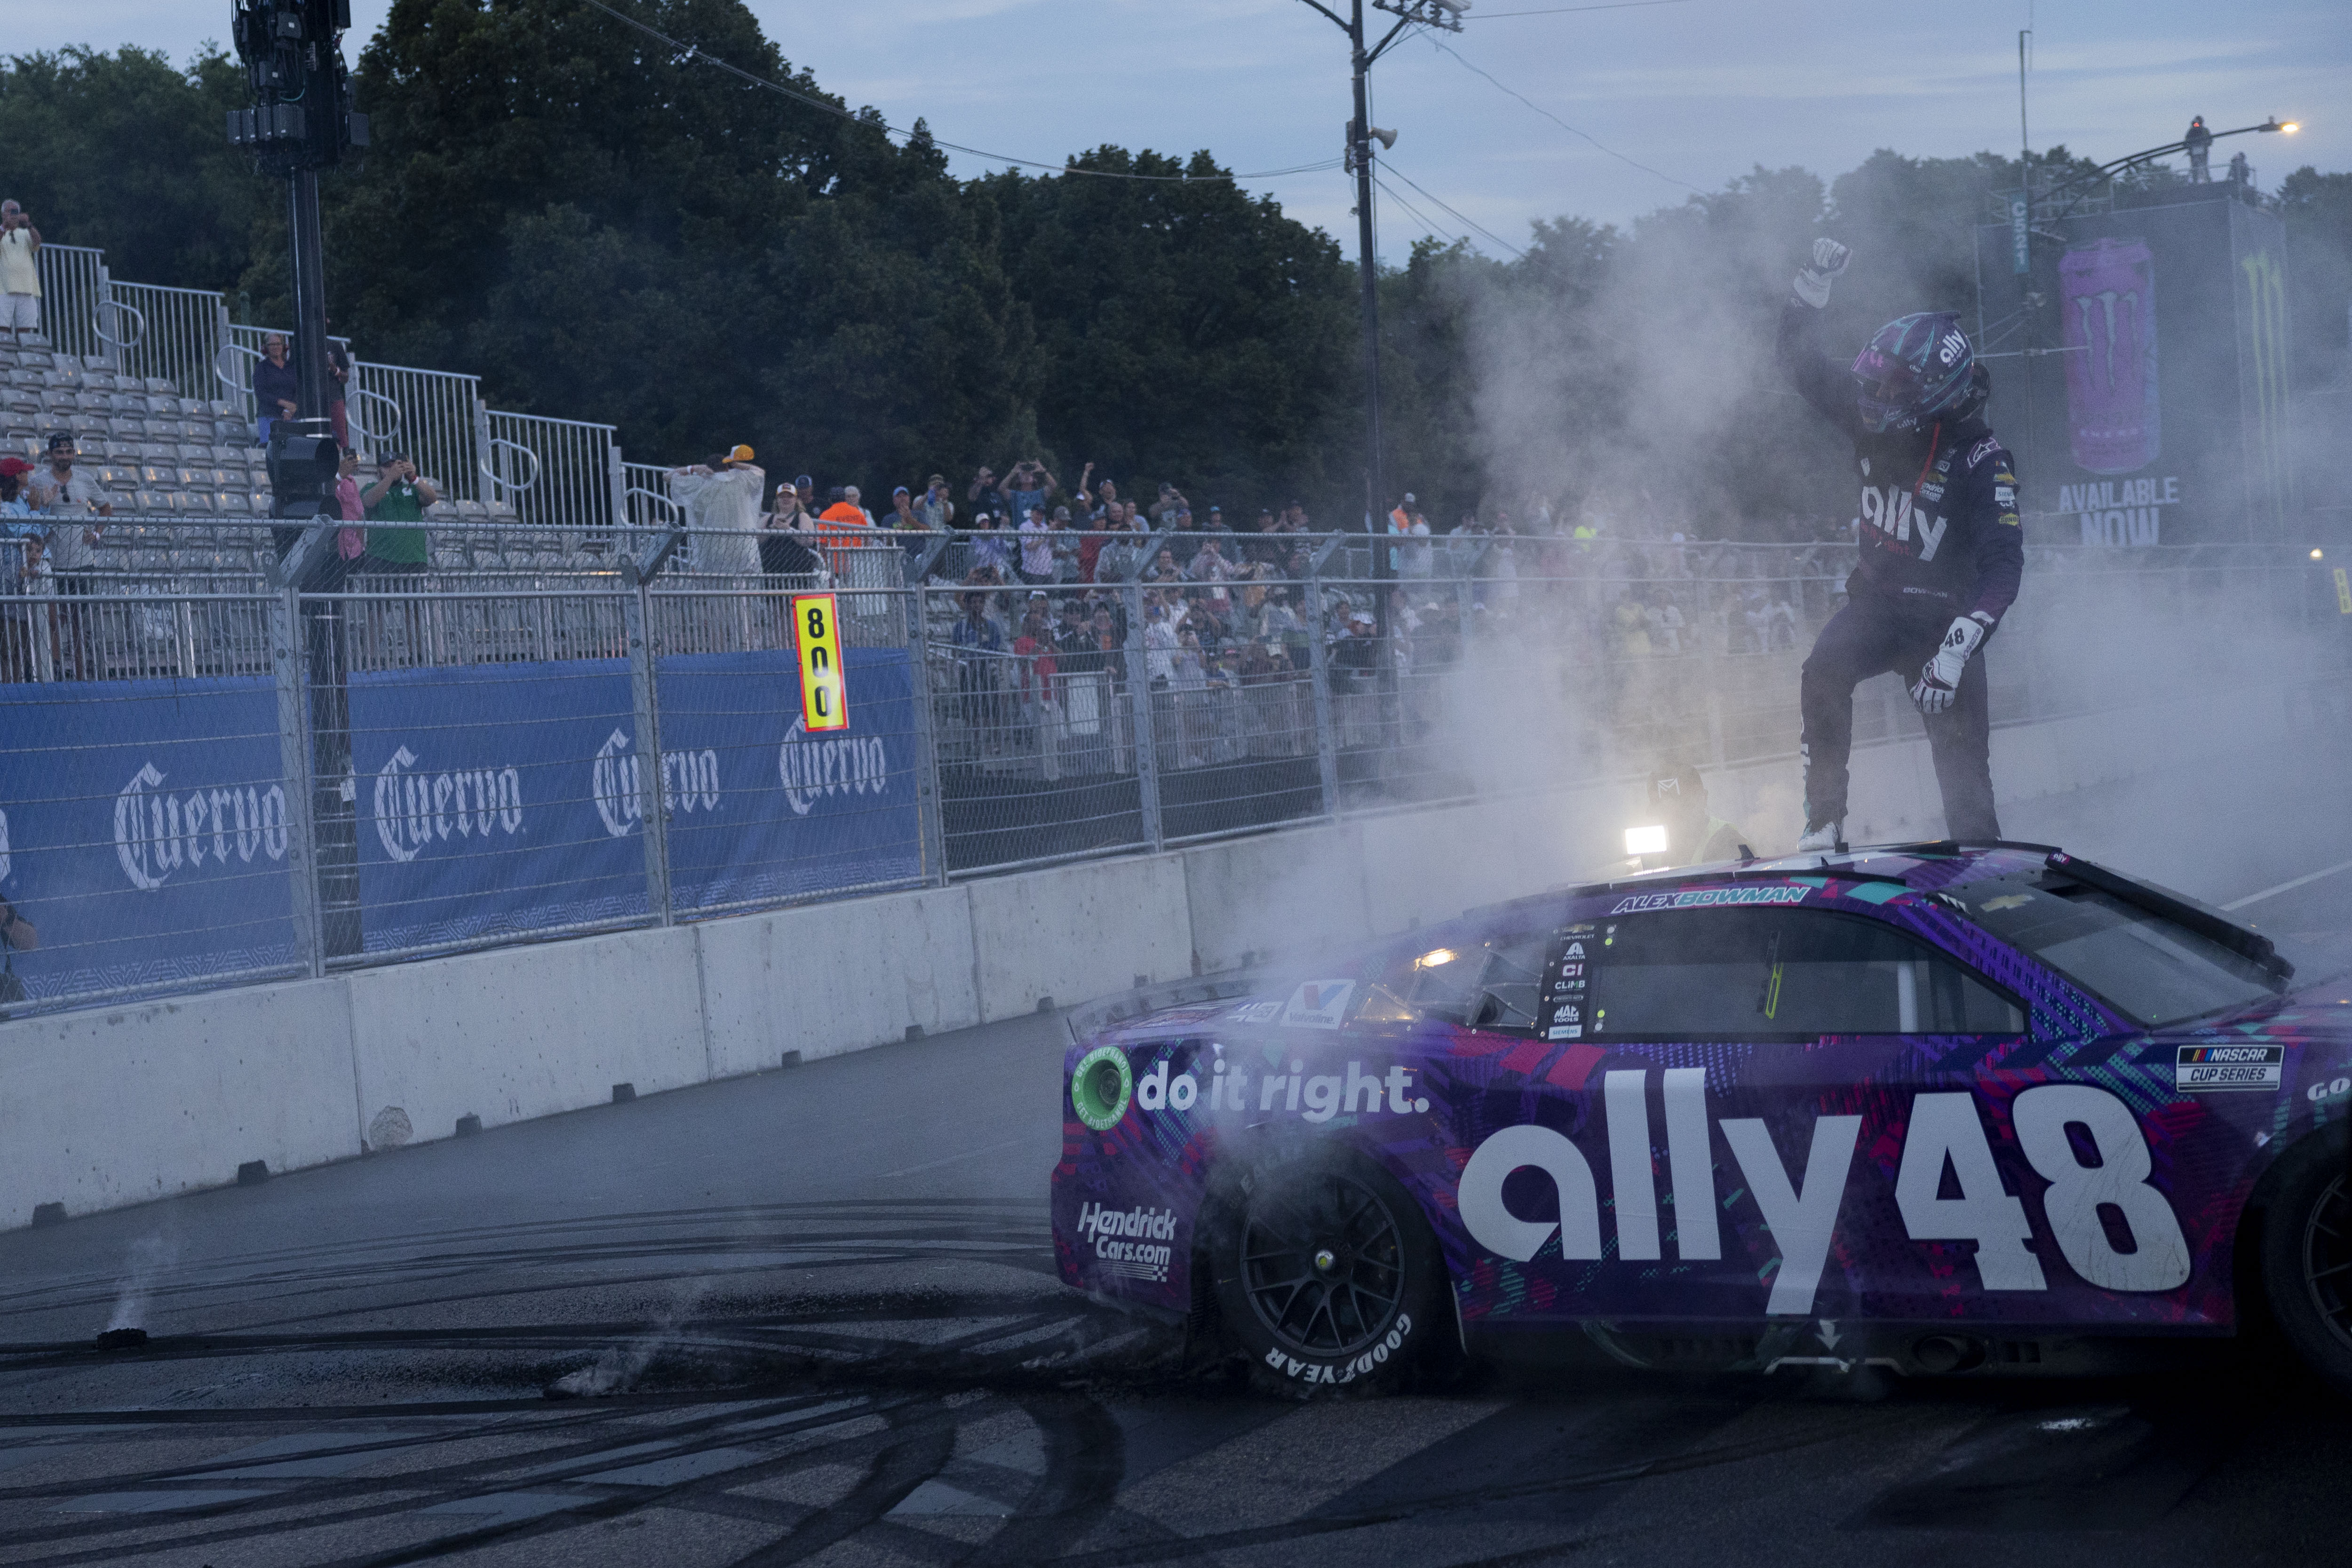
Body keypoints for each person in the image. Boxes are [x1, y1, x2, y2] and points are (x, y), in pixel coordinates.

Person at [1780, 239, 2022, 851]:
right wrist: (1812, 284)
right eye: (1875, 386)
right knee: (1822, 671)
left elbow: (2005, 567)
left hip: (1946, 626)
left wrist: (1961, 645)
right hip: (1880, 605)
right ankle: (1823, 821)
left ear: (1935, 395)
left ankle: (1986, 885)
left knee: (1968, 800)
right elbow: (1801, 365)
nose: (1874, 399)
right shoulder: (1866, 415)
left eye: (1892, 391)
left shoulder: (1982, 458)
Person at [668, 445, 764, 576]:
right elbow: (759, 472)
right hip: (742, 544)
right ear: (727, 467)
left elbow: (668, 477)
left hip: (712, 545)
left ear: (708, 467)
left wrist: (694, 468)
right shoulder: (742, 479)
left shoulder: (701, 483)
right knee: (743, 585)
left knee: (715, 583)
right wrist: (735, 464)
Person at [1644, 757, 1750, 868]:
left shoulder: (1726, 840)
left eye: (1684, 810)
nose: (1673, 819)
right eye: (1664, 812)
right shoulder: (1652, 848)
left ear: (1703, 799)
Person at [0, 201, 41, 345]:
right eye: (11, 211)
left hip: (27, 287)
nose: (14, 215)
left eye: (16, 212)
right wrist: (5, 226)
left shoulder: (25, 233)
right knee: (2, 327)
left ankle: (23, 359)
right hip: (4, 288)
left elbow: (37, 243)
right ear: (3, 213)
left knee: (26, 330)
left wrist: (28, 224)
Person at [252, 333, 299, 444]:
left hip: (290, 416)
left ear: (284, 347)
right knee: (272, 449)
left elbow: (298, 390)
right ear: (266, 348)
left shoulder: (291, 367)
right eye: (272, 345)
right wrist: (282, 403)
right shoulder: (261, 368)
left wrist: (289, 409)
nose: (275, 347)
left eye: (278, 344)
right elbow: (261, 393)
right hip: (269, 416)